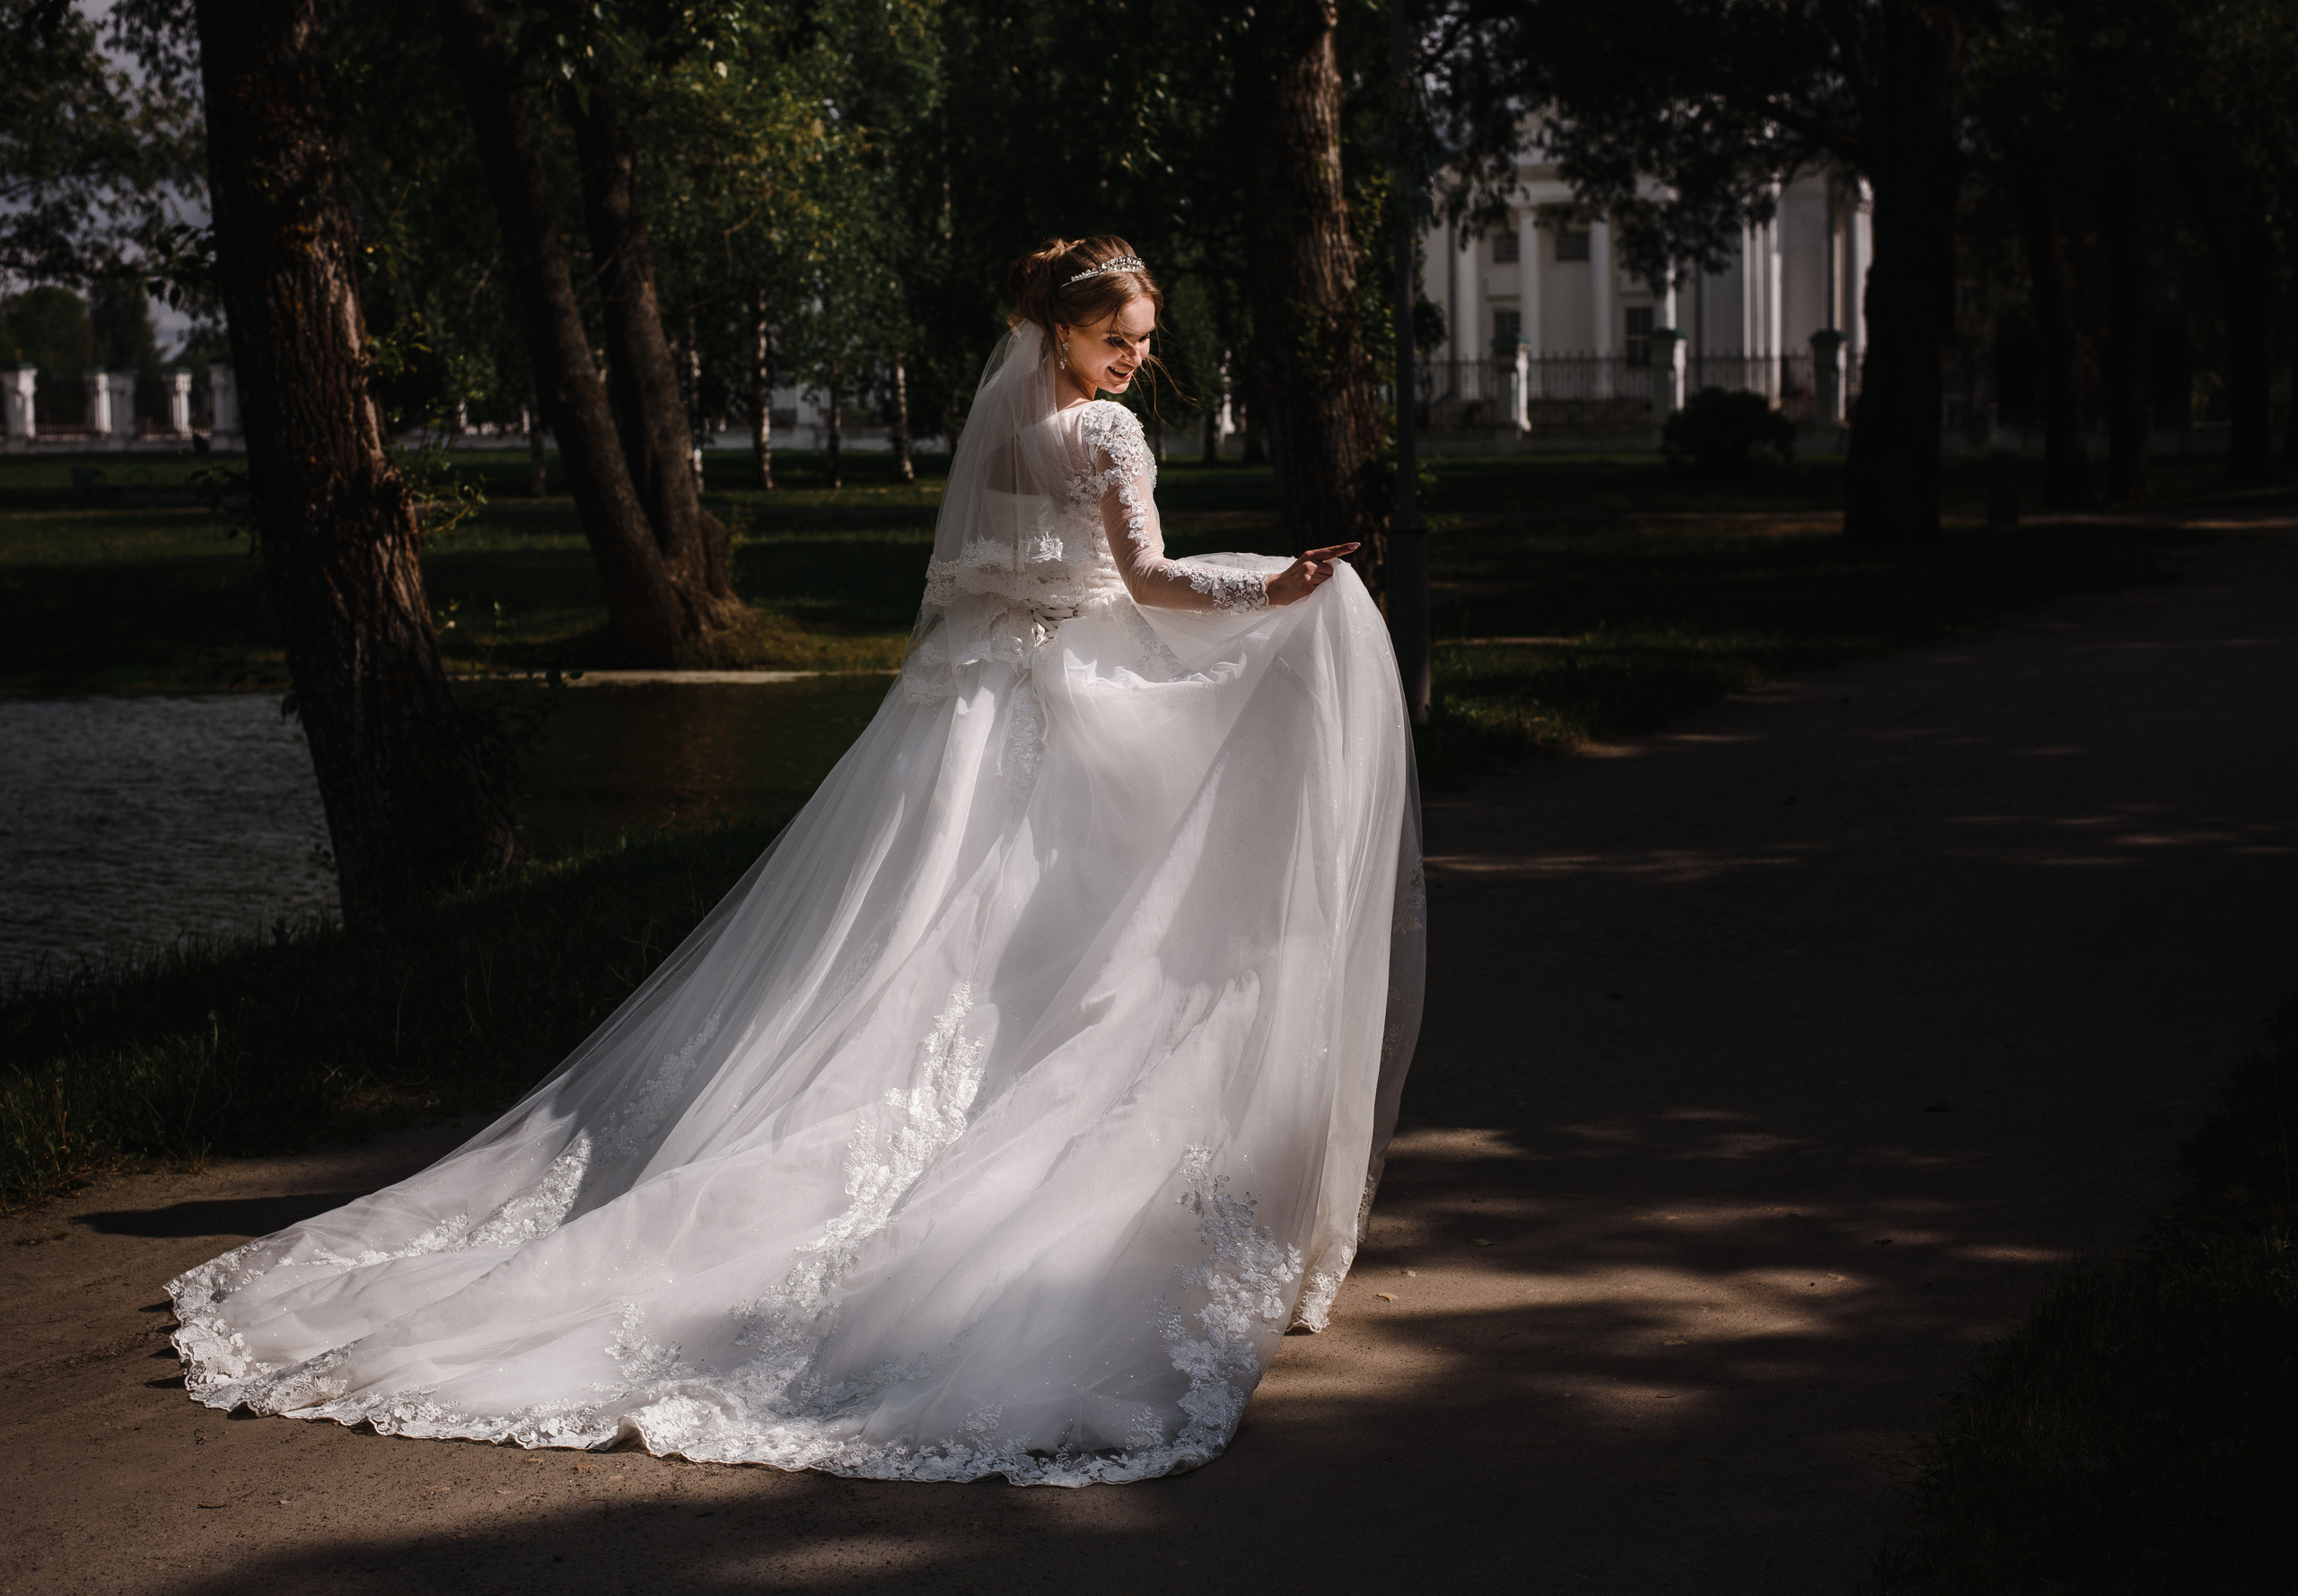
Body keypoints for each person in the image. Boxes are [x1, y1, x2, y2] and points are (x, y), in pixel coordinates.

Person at [168, 236, 1424, 1486]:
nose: (1139, 360)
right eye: (1123, 338)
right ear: (1067, 332)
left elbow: (984, 583)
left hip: (964, 712)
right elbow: (1145, 585)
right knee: (1071, 934)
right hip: (1068, 702)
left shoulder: (996, 428)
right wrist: (1276, 586)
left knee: (925, 941)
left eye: (1144, 338)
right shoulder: (1106, 439)